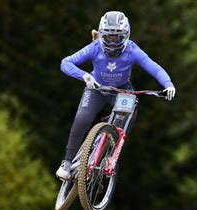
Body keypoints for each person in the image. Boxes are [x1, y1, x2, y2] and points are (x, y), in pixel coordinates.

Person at [56, 11, 176, 180]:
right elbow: (65, 63)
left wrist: (168, 84)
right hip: (96, 88)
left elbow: (154, 67)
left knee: (129, 115)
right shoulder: (95, 47)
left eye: (117, 38)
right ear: (101, 35)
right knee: (82, 118)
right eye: (108, 37)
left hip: (122, 90)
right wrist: (85, 76)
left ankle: (109, 154)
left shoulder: (132, 50)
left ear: (125, 36)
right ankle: (67, 162)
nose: (112, 43)